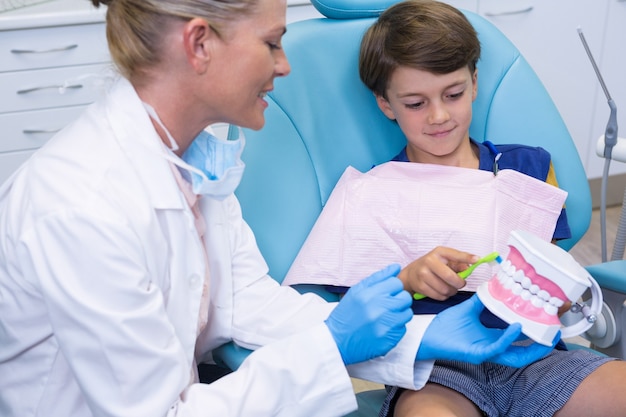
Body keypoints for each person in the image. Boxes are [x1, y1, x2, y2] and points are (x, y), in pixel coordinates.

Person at [0, 0, 557, 416]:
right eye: (271, 43)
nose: (286, 65)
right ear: (199, 45)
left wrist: (412, 337)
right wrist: (334, 343)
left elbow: (250, 304)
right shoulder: (83, 207)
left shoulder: (194, 164)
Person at [357, 1, 626, 416]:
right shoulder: (376, 190)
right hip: (437, 367)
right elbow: (354, 310)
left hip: (537, 357)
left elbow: (551, 269)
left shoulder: (527, 171)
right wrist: (409, 278)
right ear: (386, 105)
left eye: (454, 93)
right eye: (415, 103)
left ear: (475, 83)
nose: (440, 115)